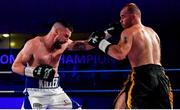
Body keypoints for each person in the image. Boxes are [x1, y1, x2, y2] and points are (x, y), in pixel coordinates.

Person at [88, 3, 173, 109]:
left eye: (123, 16)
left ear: (133, 16)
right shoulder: (152, 32)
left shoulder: (128, 32)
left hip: (142, 76)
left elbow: (119, 54)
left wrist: (100, 42)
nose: (120, 20)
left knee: (121, 107)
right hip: (161, 76)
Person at [11, 20, 94, 109]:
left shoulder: (64, 43)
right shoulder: (33, 44)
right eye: (66, 36)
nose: (67, 39)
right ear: (56, 31)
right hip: (35, 93)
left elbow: (84, 45)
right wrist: (34, 72)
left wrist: (104, 36)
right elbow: (15, 66)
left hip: (56, 91)